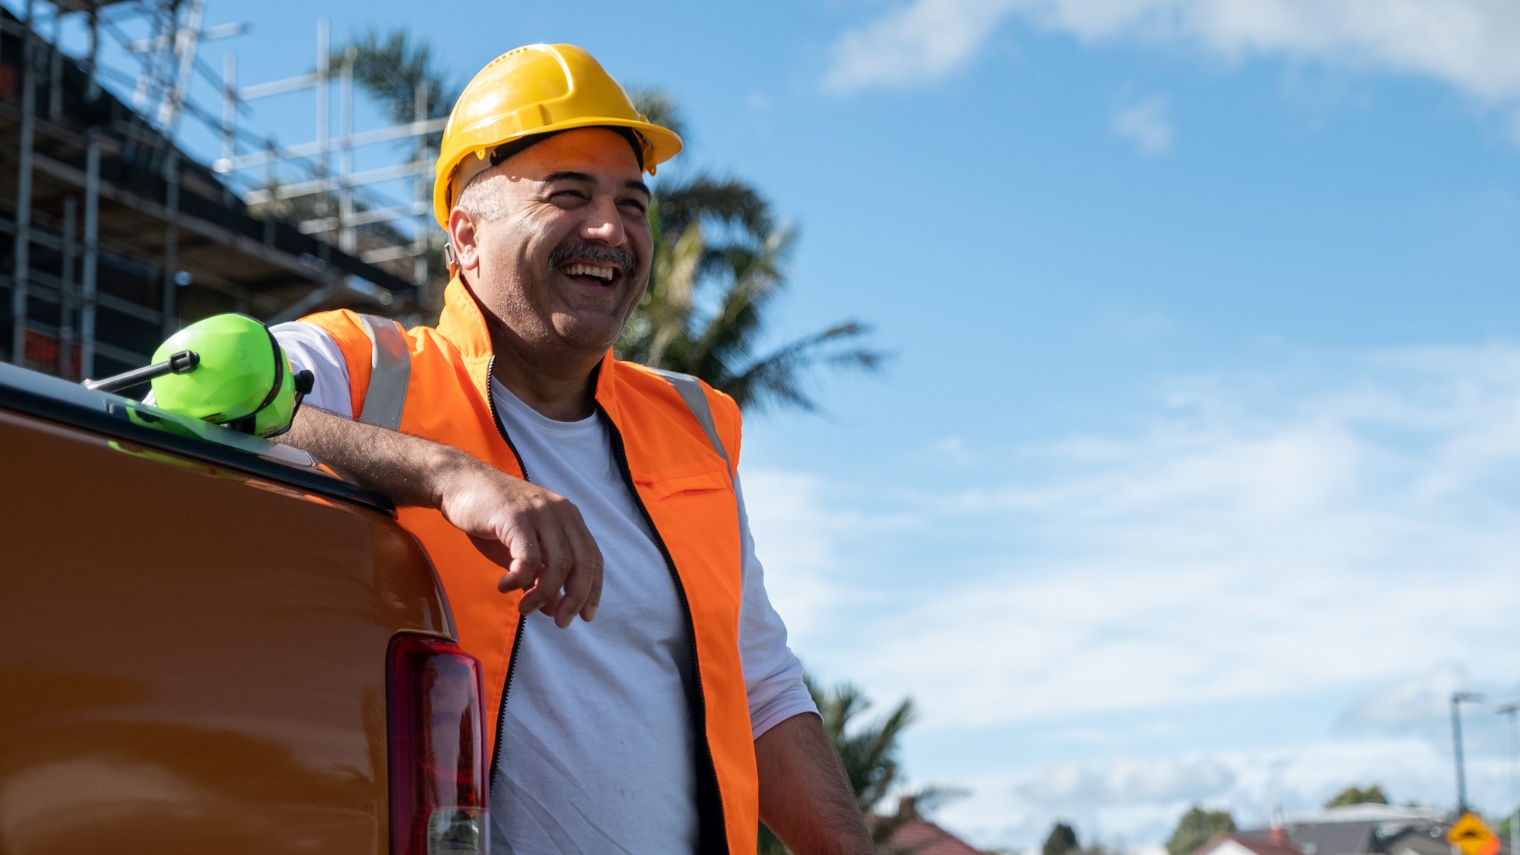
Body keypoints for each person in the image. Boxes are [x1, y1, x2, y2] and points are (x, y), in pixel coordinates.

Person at [273, 44, 875, 855]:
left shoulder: (691, 427)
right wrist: (450, 477)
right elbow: (185, 391)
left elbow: (760, 687)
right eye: (569, 195)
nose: (611, 228)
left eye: (633, 202)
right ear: (466, 237)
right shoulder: (364, 371)